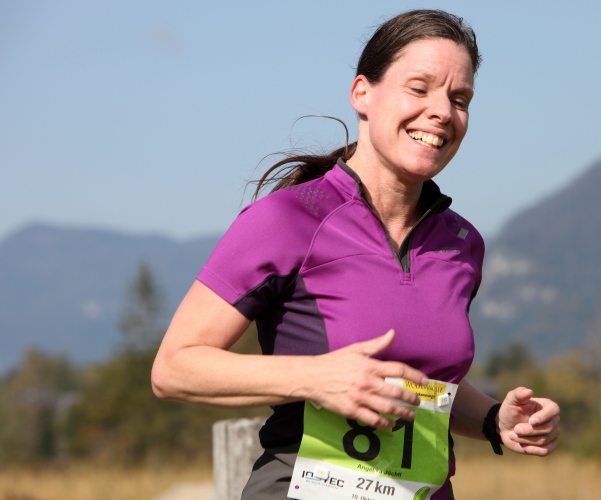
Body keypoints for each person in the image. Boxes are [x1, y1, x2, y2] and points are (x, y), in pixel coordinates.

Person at [152, 9, 560, 500]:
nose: (442, 112)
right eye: (419, 88)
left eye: (460, 99)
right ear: (362, 94)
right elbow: (174, 368)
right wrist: (317, 378)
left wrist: (495, 420)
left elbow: (422, 386)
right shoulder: (286, 219)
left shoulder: (462, 243)